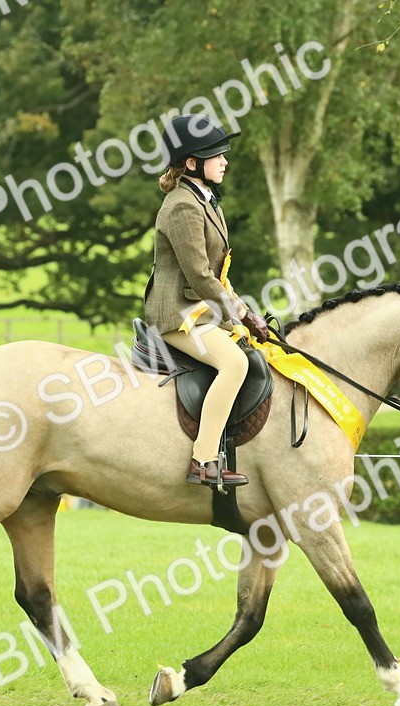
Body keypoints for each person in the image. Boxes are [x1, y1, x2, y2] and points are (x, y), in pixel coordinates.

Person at [143, 113, 269, 488]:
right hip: (178, 314)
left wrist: (240, 315)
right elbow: (199, 276)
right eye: (218, 156)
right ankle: (203, 461)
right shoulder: (182, 205)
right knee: (233, 364)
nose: (225, 162)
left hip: (201, 310)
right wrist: (242, 312)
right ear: (193, 163)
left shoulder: (207, 201)